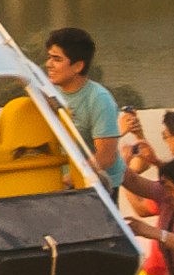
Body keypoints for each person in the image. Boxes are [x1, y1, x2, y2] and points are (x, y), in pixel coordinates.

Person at [43, 27, 122, 191]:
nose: (48, 64)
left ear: (78, 66)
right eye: (49, 57)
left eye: (56, 59)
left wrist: (71, 179)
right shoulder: (49, 93)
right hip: (63, 180)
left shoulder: (99, 99)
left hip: (98, 184)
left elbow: (106, 157)